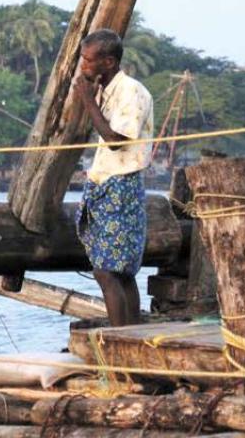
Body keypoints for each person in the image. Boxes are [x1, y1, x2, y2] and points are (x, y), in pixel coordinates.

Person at [73, 29, 154, 326]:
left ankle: (122, 338)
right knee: (118, 271)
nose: (83, 66)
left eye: (87, 60)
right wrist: (89, 98)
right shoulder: (103, 91)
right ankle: (130, 336)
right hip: (104, 182)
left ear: (108, 62)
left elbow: (115, 139)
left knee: (108, 271)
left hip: (122, 184)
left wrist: (87, 100)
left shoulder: (132, 91)